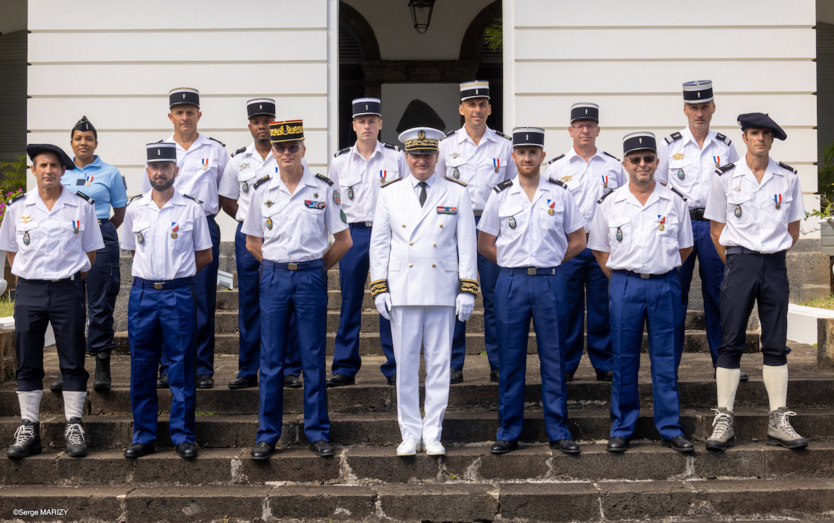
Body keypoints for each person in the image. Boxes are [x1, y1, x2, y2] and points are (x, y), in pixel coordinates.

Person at [243, 120, 352, 459]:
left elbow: (344, 240)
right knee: (271, 359)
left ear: (304, 149)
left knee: (313, 357)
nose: (287, 152)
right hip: (274, 277)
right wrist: (275, 265)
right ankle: (267, 435)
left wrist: (316, 269)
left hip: (310, 277)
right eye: (281, 147)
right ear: (274, 151)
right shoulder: (262, 189)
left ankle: (317, 432)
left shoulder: (323, 188)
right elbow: (252, 241)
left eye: (293, 147)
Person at [370, 127, 478, 456]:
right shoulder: (390, 193)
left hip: (441, 289)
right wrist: (379, 286)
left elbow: (466, 244)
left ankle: (433, 433)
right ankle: (409, 433)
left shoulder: (456, 192)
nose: (422, 161)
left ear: (437, 156)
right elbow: (380, 244)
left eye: (428, 155)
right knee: (405, 367)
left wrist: (467, 289)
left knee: (440, 366)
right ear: (406, 157)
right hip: (403, 289)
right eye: (416, 155)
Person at [478, 127, 586, 455]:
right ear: (513, 156)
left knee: (554, 357)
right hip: (511, 282)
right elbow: (485, 243)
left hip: (550, 281)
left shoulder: (560, 193)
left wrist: (550, 260)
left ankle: (559, 430)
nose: (527, 157)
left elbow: (578, 240)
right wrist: (512, 262)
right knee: (510, 359)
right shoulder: (500, 194)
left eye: (533, 152)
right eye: (522, 152)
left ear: (542, 156)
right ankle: (508, 431)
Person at [703, 113, 807, 451]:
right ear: (744, 138)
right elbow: (716, 230)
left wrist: (769, 257)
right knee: (730, 341)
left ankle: (778, 419)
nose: (760, 138)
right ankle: (724, 419)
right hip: (739, 262)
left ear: (772, 139)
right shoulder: (725, 178)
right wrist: (737, 264)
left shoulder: (788, 178)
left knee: (775, 342)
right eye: (754, 133)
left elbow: (793, 229)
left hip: (774, 265)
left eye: (765, 134)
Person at [588, 132, 695, 454]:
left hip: (664, 284)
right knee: (623, 358)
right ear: (625, 164)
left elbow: (685, 247)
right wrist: (624, 277)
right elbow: (600, 249)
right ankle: (622, 428)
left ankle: (670, 428)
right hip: (626, 284)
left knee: (665, 358)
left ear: (657, 162)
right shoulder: (610, 203)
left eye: (648, 159)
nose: (642, 165)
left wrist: (660, 268)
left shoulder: (674, 201)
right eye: (635, 160)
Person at [2, 144, 104, 459]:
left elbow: (90, 253)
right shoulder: (18, 207)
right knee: (27, 359)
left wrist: (65, 278)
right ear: (34, 170)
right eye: (43, 165)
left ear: (63, 171)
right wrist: (33, 276)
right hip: (29, 291)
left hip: (67, 290)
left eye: (54, 165)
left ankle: (74, 425)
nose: (49, 170)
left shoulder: (81, 206)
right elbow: (11, 252)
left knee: (72, 359)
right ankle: (29, 428)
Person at [121, 142, 213, 460]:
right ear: (147, 171)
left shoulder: (192, 209)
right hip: (143, 294)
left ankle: (183, 435)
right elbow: (133, 249)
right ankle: (143, 436)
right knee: (142, 366)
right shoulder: (135, 209)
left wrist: (178, 275)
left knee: (182, 366)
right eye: (155, 168)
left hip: (178, 293)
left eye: (166, 167)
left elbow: (205, 255)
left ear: (176, 170)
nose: (160, 172)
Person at [142, 87, 229, 389]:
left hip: (203, 226)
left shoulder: (215, 150)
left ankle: (202, 368)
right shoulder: (159, 150)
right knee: (168, 300)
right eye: (179, 112)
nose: (185, 117)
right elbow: (148, 193)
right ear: (170, 117)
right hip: (166, 229)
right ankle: (169, 367)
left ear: (199, 115)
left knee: (203, 301)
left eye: (190, 112)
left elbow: (224, 193)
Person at [656, 80, 741, 376]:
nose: (699, 113)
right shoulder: (670, 146)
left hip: (714, 227)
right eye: (694, 108)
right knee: (674, 296)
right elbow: (660, 189)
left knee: (718, 295)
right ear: (685, 110)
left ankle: (724, 364)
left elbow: (736, 187)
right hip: (679, 226)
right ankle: (670, 365)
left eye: (704, 107)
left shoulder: (725, 146)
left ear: (713, 108)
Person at [218, 98, 303, 390]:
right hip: (248, 238)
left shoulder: (288, 155)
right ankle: (247, 369)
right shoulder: (238, 161)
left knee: (288, 301)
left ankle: (290, 369)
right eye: (257, 122)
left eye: (267, 121)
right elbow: (228, 200)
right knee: (249, 303)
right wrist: (250, 222)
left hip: (283, 235)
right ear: (250, 126)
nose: (262, 126)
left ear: (274, 123)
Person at [437, 81, 516, 383]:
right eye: (471, 104)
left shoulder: (504, 145)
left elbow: (513, 190)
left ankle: (497, 362)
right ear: (461, 109)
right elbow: (439, 190)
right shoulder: (446, 145)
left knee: (496, 298)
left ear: (489, 109)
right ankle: (453, 363)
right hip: (456, 226)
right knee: (455, 294)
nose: (477, 110)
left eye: (482, 104)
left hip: (492, 228)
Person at [327, 97, 406, 388]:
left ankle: (395, 366)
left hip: (389, 234)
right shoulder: (340, 161)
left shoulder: (396, 158)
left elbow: (408, 197)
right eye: (361, 121)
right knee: (350, 301)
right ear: (353, 125)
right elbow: (334, 203)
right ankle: (345, 366)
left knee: (390, 300)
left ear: (380, 124)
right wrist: (338, 237)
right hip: (354, 235)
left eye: (372, 120)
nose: (367, 126)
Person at [545, 103, 625, 382]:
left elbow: (623, 204)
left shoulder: (614, 166)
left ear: (598, 130)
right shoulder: (556, 167)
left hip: (603, 245)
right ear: (570, 130)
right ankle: (567, 364)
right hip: (570, 246)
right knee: (567, 307)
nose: (585, 130)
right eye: (579, 126)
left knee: (603, 306)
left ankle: (604, 363)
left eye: (590, 126)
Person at [49, 116, 128, 394]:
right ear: (71, 143)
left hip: (101, 235)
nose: (84, 142)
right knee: (68, 306)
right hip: (67, 240)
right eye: (79, 138)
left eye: (89, 139)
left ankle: (102, 364)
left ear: (96, 143)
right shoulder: (61, 172)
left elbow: (120, 213)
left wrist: (98, 232)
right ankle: (70, 369)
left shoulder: (110, 173)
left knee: (100, 303)